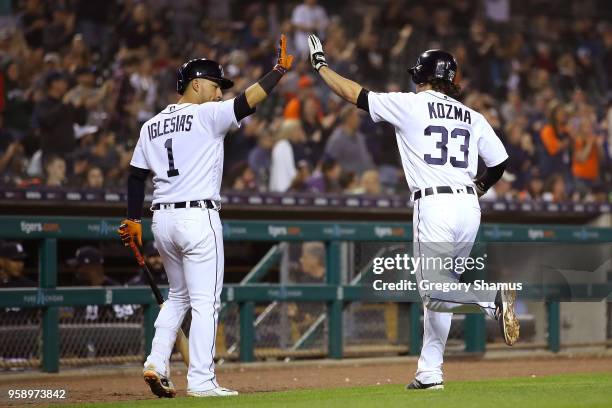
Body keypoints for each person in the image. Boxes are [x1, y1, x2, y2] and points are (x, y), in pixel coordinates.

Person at [307, 36, 519, 390]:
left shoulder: (412, 104)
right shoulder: (473, 116)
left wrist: (321, 65)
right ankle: (429, 372)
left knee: (435, 290)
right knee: (440, 294)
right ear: (451, 81)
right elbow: (500, 164)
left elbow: (353, 94)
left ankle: (490, 299)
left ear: (422, 77)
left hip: (434, 204)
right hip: (468, 206)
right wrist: (478, 188)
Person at [118, 35, 294, 398]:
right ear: (196, 85)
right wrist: (277, 72)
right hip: (198, 218)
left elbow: (136, 176)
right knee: (205, 302)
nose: (219, 94)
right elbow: (247, 101)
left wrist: (132, 219)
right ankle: (201, 380)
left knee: (178, 297)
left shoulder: (150, 124)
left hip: (161, 221)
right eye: (215, 86)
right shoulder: (206, 114)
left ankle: (155, 362)